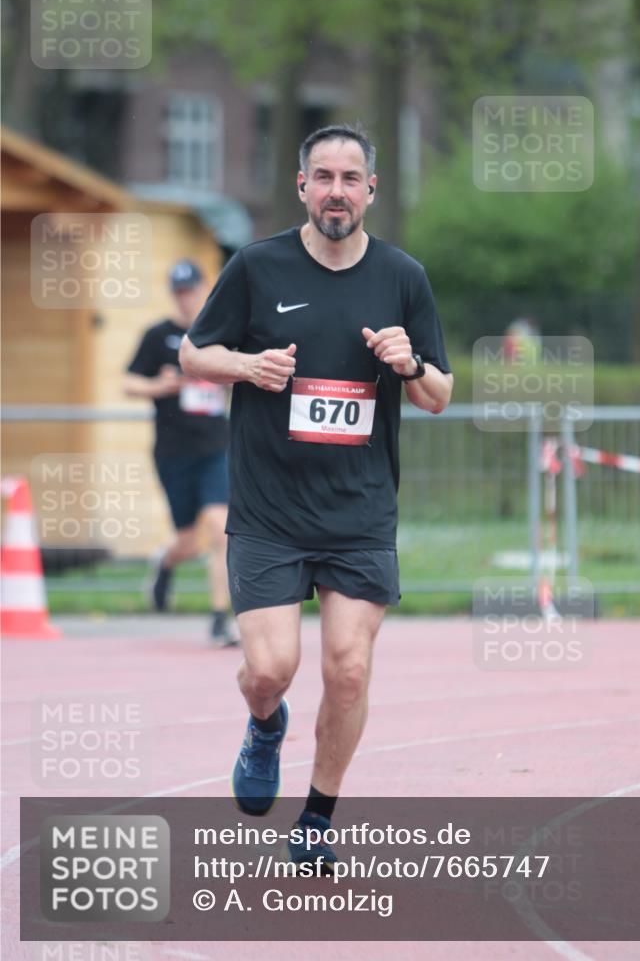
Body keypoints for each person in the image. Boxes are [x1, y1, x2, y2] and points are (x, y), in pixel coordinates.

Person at [179, 124, 453, 868]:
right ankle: (264, 724)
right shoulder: (256, 266)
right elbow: (192, 352)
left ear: (371, 190)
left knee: (350, 667)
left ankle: (317, 819)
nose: (337, 190)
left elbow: (438, 394)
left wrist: (407, 363)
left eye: (350, 178)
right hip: (269, 511)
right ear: (302, 186)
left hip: (359, 510)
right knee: (269, 670)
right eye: (323, 177)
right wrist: (245, 365)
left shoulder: (402, 277)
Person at [123, 259, 238, 647]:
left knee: (220, 527)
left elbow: (241, 374)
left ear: (205, 289)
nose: (186, 299)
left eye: (191, 291)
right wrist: (160, 386)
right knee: (188, 541)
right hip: (173, 451)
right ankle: (165, 562)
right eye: (180, 292)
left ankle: (221, 618)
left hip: (216, 448)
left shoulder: (221, 333)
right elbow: (129, 382)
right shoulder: (159, 336)